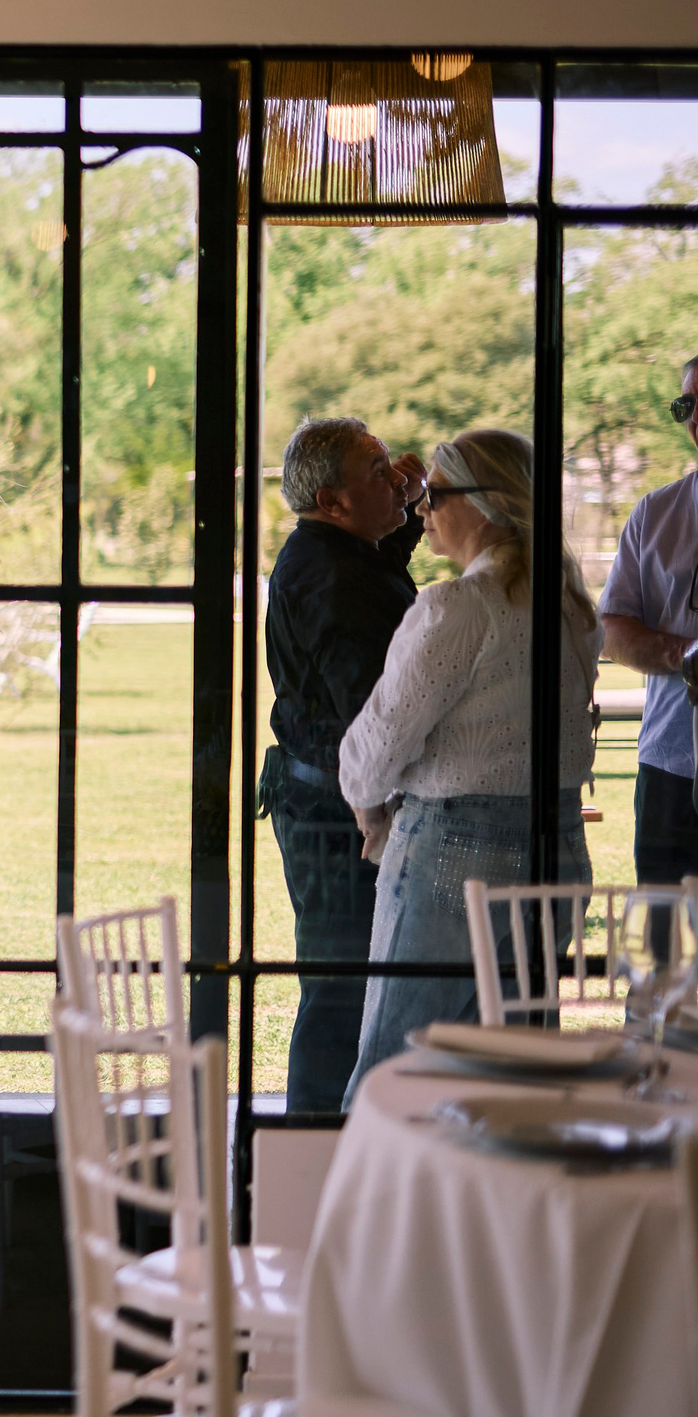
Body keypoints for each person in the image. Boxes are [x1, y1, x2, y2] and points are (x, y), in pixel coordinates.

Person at [339, 429, 598, 1103]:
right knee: (508, 1081)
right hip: (557, 857)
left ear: (485, 505)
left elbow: (373, 750)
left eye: (435, 495)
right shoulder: (570, 609)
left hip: (454, 863)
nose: (421, 510)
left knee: (394, 1073)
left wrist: (371, 812)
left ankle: (370, 1205)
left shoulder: (458, 608)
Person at [260, 417, 428, 1116]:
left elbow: (380, 567)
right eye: (379, 473)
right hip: (335, 818)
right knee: (340, 991)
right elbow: (367, 716)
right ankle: (313, 1164)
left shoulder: (337, 553)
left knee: (347, 985)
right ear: (332, 502)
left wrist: (407, 512)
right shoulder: (333, 577)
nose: (397, 480)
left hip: (320, 805)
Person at [598, 356, 698, 885]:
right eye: (686, 404)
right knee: (664, 947)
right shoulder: (654, 514)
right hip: (670, 764)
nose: (695, 415)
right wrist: (687, 656)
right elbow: (613, 630)